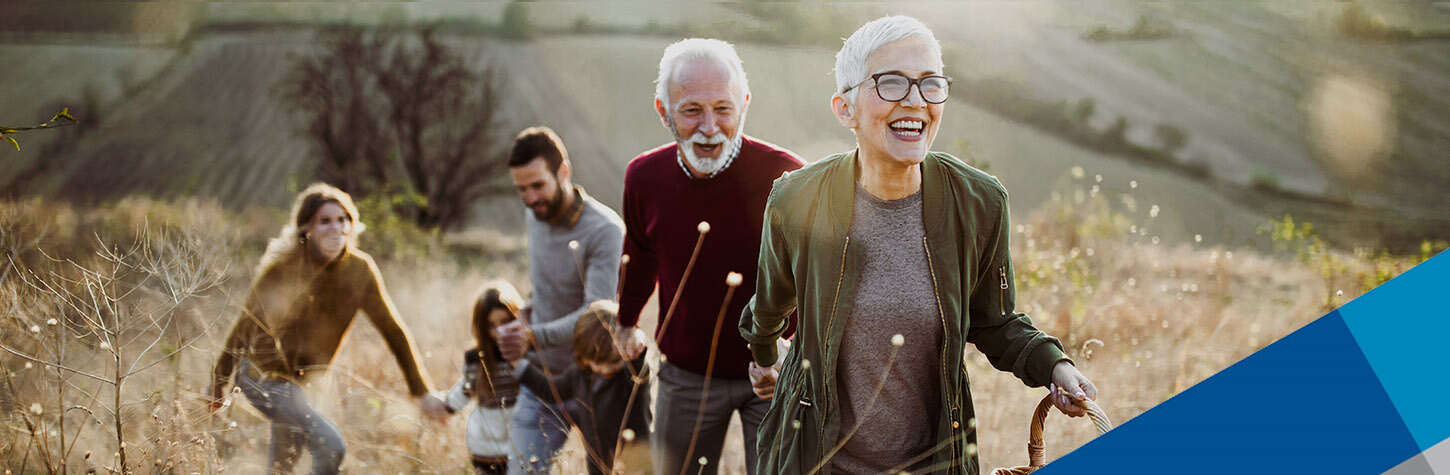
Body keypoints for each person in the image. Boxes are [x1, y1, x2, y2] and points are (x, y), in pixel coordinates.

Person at [738, 16, 1099, 474]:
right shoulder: (797, 198)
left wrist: (1055, 368)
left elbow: (994, 322)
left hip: (934, 461)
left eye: (931, 84)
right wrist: (766, 359)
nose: (915, 101)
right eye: (891, 83)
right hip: (812, 457)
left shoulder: (979, 202)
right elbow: (769, 307)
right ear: (845, 109)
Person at [617, 38, 803, 475]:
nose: (709, 126)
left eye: (723, 108)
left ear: (744, 104)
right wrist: (625, 322)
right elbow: (640, 255)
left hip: (775, 370)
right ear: (664, 112)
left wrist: (792, 352)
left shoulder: (789, 176)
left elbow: (819, 279)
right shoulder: (643, 177)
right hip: (686, 375)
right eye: (691, 110)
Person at [209, 182, 441, 475]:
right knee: (331, 446)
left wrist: (421, 392)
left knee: (283, 464)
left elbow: (393, 330)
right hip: (262, 378)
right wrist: (218, 383)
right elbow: (244, 326)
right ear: (307, 229)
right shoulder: (283, 269)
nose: (336, 228)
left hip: (304, 385)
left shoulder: (361, 271)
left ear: (352, 225)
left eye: (343, 220)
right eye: (325, 221)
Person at [493, 126, 648, 474]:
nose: (531, 199)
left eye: (538, 186)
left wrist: (533, 335)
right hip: (541, 381)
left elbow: (597, 316)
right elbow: (543, 288)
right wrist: (525, 318)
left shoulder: (605, 230)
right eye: (521, 190)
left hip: (597, 383)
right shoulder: (534, 216)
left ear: (564, 172)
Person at [513, 300, 652, 475]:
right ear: (584, 355)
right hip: (597, 466)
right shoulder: (580, 374)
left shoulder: (630, 377)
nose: (606, 369)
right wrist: (520, 367)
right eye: (598, 363)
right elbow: (552, 391)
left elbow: (642, 371)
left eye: (614, 362)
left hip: (636, 464)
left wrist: (636, 346)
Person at [437, 282, 527, 475]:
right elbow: (466, 387)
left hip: (521, 441)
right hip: (485, 446)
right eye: (491, 326)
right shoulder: (476, 358)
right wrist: (447, 407)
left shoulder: (527, 354)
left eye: (505, 322)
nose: (498, 330)